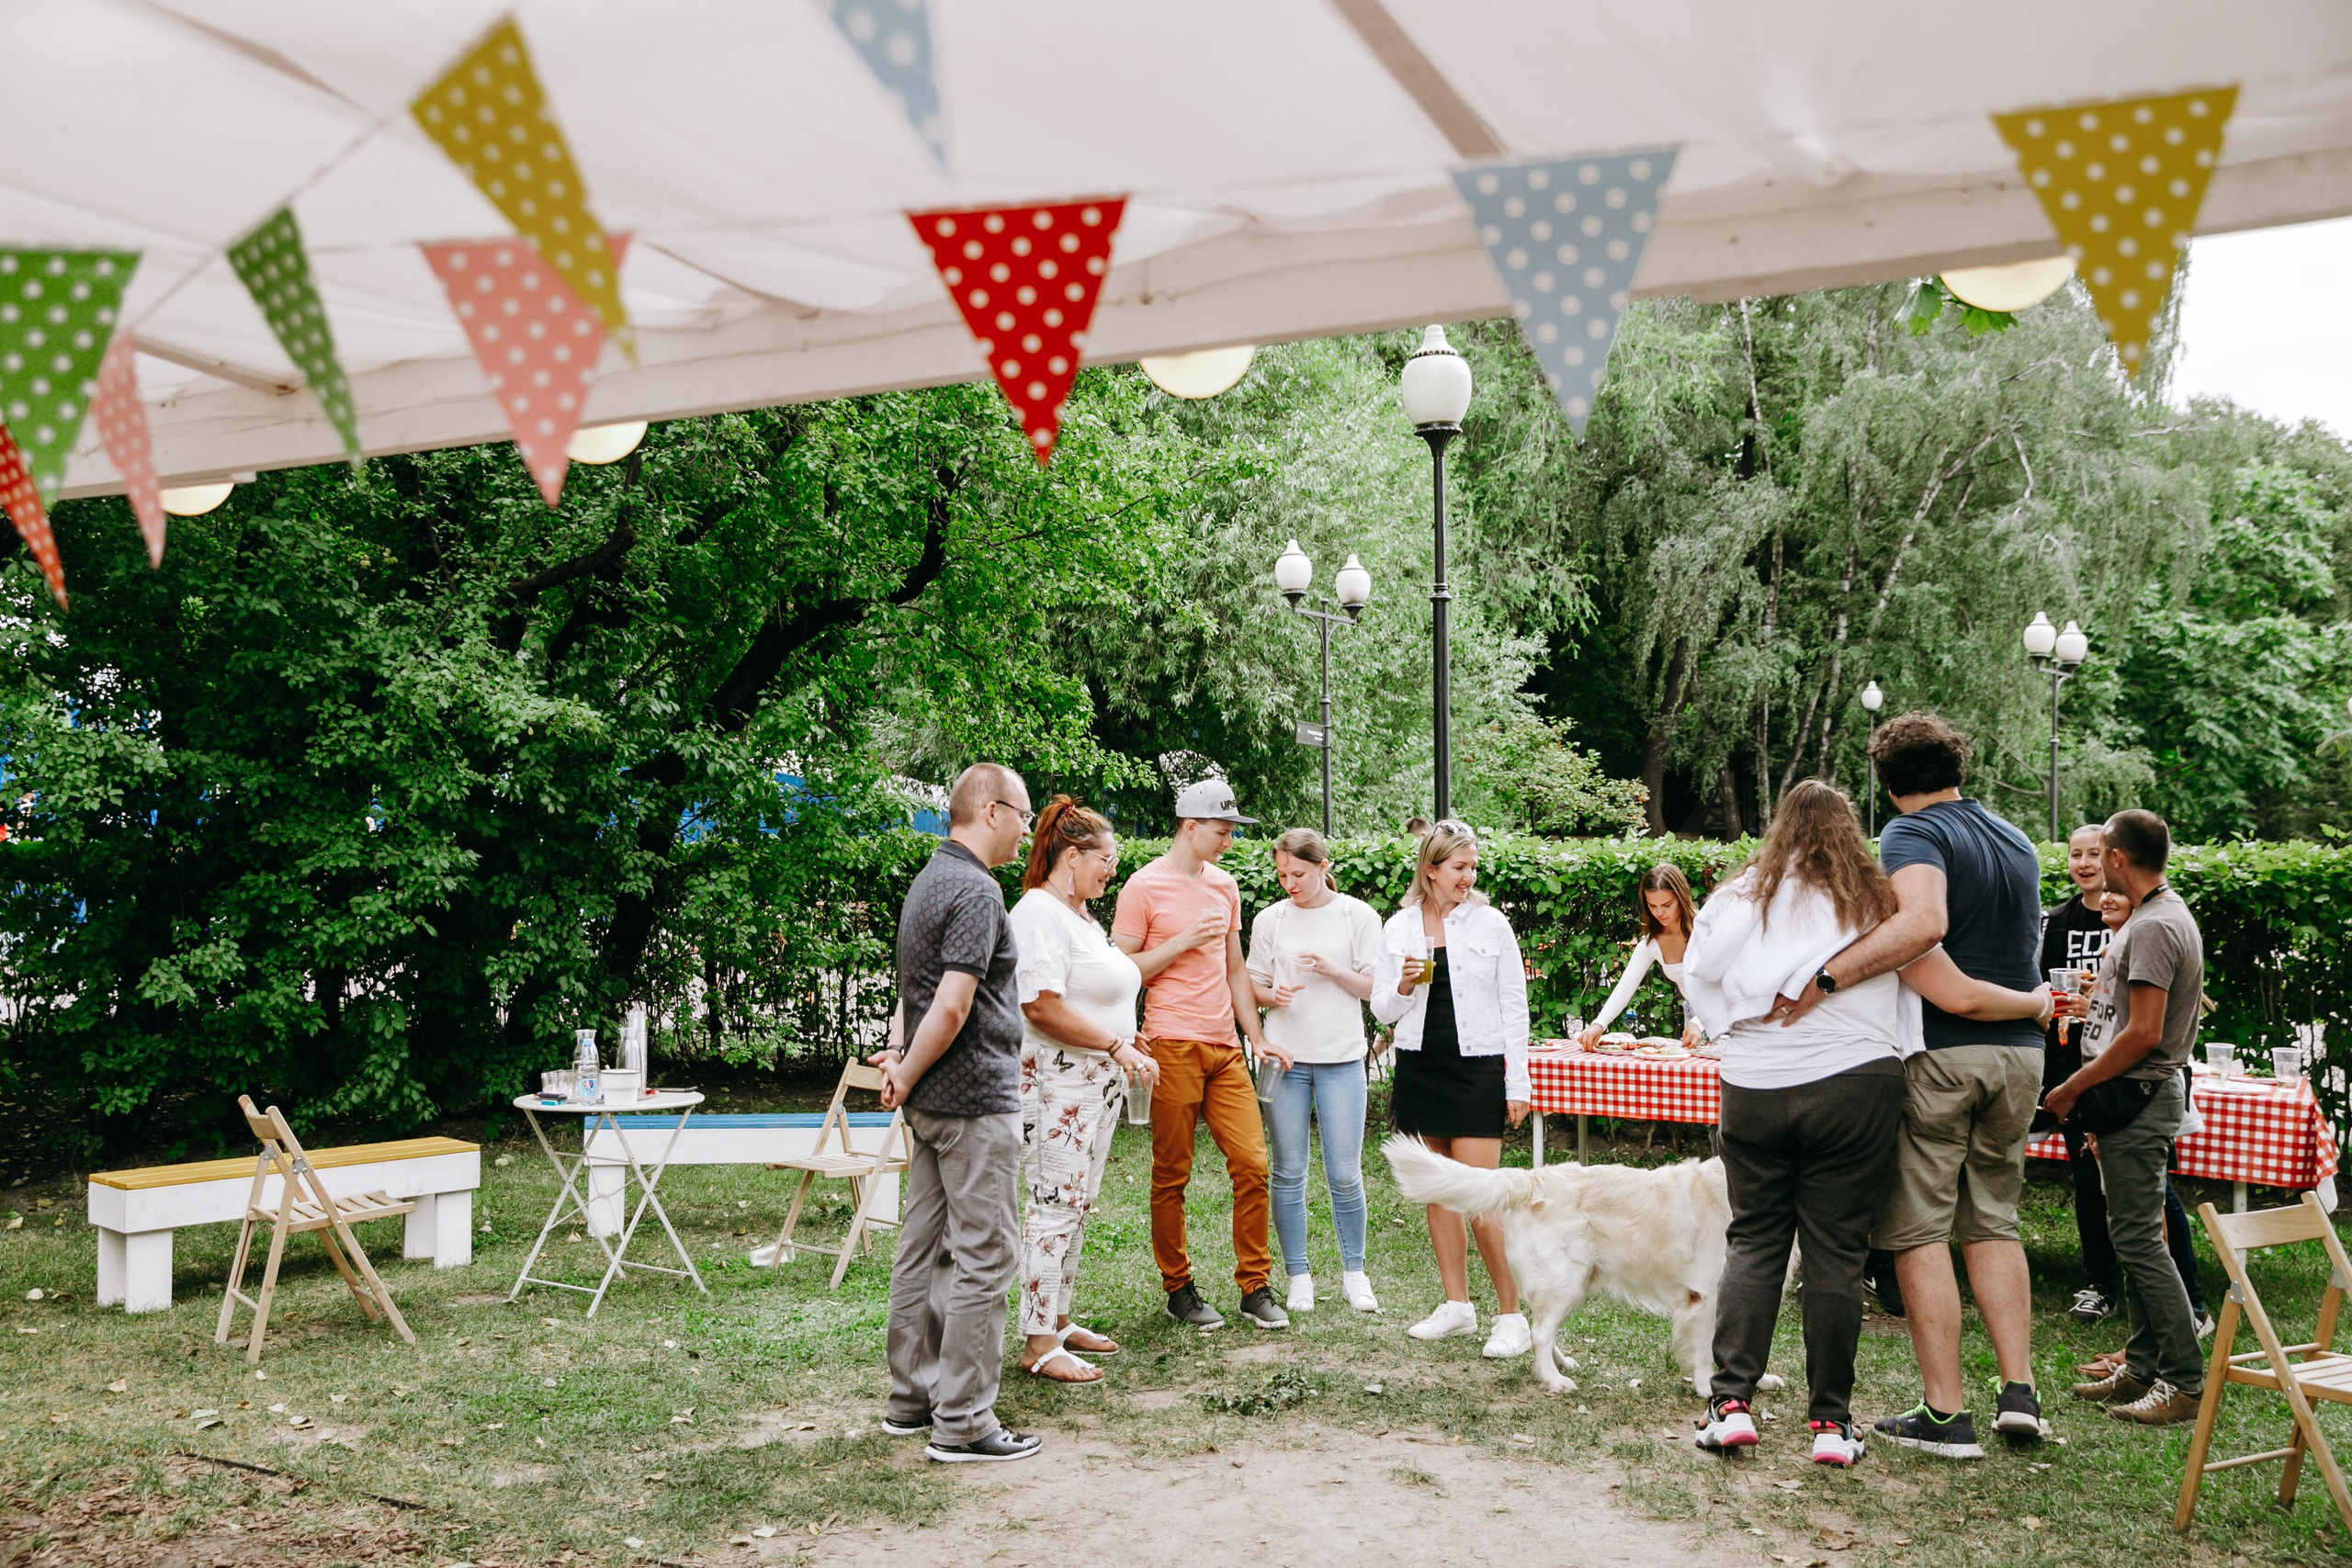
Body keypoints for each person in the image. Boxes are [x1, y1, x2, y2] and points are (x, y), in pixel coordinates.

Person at [1687, 780, 2052, 1466]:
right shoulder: (1879, 901)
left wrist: (1729, 1022)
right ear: (1853, 828)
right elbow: (1934, 982)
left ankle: (1731, 1403)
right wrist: (2033, 1001)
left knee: (1756, 1239)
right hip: (1856, 1084)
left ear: (1780, 828)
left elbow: (1698, 971)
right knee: (1836, 1251)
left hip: (1756, 1082)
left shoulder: (1739, 895)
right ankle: (1830, 1422)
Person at [1778, 712, 2050, 1458]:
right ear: (1957, 765)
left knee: (1919, 1226)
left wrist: (1829, 974)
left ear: (1888, 781)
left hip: (1946, 1052)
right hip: (2020, 1055)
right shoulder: (2014, 837)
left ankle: (1945, 1414)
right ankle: (2018, 1392)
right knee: (1994, 1218)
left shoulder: (1911, 834)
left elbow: (1924, 925)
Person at [876, 762, 1038, 1463]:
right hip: (973, 1101)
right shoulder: (977, 888)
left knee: (924, 1247)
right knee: (986, 1254)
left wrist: (898, 1062)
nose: (1029, 829)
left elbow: (910, 990)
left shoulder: (927, 879)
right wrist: (906, 1066)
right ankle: (965, 1421)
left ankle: (912, 1398)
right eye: (1024, 815)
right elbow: (950, 1003)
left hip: (933, 1102)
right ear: (993, 810)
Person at [1114, 780, 1295, 1332]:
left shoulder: (1226, 885)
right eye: (1222, 831)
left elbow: (1236, 969)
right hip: (1169, 1043)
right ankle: (1178, 1288)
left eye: (1233, 832)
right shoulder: (1143, 887)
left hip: (1224, 1048)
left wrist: (1256, 1035)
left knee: (1253, 1164)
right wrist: (1183, 940)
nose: (1229, 842)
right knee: (1172, 1173)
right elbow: (1118, 972)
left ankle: (1255, 1286)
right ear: (1191, 827)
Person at [2049, 810, 2210, 1427]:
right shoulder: (2157, 916)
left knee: (2141, 1240)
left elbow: (2143, 1032)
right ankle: (2141, 1366)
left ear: (2118, 858)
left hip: (2137, 1094)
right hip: (2125, 1099)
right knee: (2134, 1234)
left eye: (2103, 854)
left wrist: (2074, 1086)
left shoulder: (2156, 924)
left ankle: (2185, 1380)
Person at [1006, 797, 1159, 1385]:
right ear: (1072, 856)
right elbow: (1040, 1006)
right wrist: (1115, 1044)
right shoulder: (1038, 913)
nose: (1111, 869)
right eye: (1106, 858)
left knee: (1077, 1206)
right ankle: (1038, 1343)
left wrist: (1126, 1035)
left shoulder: (1081, 917)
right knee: (1053, 1207)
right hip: (1057, 1085)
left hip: (1096, 1083)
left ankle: (1059, 1319)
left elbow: (1089, 994)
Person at [1372, 819, 1534, 1359]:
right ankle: (1457, 1306)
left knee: (1483, 1196)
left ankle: (1511, 1317)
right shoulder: (1398, 927)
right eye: (1459, 868)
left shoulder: (1491, 925)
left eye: (1472, 868)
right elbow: (1383, 1010)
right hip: (1420, 1065)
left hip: (1476, 1069)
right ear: (1431, 870)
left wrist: (1518, 1082)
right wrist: (1400, 985)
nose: (1469, 877)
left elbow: (1515, 1006)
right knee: (1439, 1191)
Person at [1247, 828, 1383, 1314]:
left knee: (1345, 1174)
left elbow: (1374, 989)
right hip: (1284, 1059)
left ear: (1323, 866)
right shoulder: (1271, 920)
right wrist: (1270, 997)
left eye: (1299, 873)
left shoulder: (1356, 916)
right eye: (1282, 874)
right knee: (1287, 1172)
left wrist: (1331, 969)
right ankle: (1298, 1275)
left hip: (1342, 1058)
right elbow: (1253, 984)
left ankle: (1354, 1273)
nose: (1290, 883)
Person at [1577, 863, 1702, 1047]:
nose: (1659, 912)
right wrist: (1598, 1024)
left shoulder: (1706, 928)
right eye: (1652, 905)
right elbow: (1626, 986)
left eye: (1667, 905)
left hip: (1727, 1013)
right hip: (1694, 1016)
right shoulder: (1651, 943)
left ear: (1682, 898)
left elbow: (1727, 987)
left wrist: (1698, 1023)